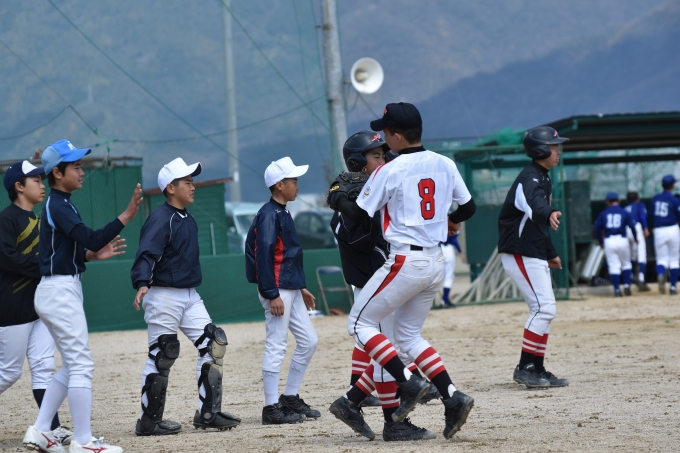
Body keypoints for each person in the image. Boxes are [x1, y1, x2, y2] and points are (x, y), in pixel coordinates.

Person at [328, 102, 477, 440]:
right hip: (436, 261)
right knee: (407, 337)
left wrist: (337, 198)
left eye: (386, 134)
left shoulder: (389, 170)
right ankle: (452, 396)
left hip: (406, 260)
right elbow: (468, 207)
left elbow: (359, 214)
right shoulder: (444, 162)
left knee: (359, 324)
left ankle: (407, 382)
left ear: (396, 136)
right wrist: (451, 220)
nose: (384, 143)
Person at [23, 140, 142, 453]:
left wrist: (89, 256)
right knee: (81, 365)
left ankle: (41, 430)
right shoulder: (59, 205)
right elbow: (91, 237)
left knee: (72, 364)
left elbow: (68, 250)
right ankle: (84, 441)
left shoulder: (61, 203)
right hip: (59, 291)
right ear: (57, 172)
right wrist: (126, 215)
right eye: (75, 166)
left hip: (58, 288)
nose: (81, 171)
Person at [327, 131, 439, 442]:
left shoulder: (382, 189)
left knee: (391, 351)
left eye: (384, 154)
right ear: (356, 163)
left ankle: (352, 401)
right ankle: (391, 421)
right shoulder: (351, 205)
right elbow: (363, 238)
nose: (384, 159)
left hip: (391, 281)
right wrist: (347, 198)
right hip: (373, 285)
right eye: (376, 156)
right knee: (387, 353)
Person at [131, 158, 241, 436]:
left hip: (189, 295)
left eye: (193, 182)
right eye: (187, 182)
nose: (193, 186)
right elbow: (146, 253)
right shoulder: (161, 218)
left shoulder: (186, 218)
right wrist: (142, 282)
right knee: (162, 354)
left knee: (214, 344)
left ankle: (208, 414)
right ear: (171, 188)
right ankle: (149, 422)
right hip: (163, 295)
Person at [0, 161, 73, 445]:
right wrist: (46, 265)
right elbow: (7, 258)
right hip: (13, 307)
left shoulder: (41, 218)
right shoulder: (6, 219)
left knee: (44, 367)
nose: (42, 186)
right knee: (8, 372)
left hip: (39, 307)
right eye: (36, 181)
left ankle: (51, 429)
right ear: (19, 186)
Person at [245, 157, 320, 425]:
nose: (297, 186)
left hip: (289, 287)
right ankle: (270, 408)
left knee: (309, 341)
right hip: (277, 288)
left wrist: (301, 287)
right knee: (276, 344)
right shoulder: (268, 214)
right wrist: (271, 292)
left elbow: (286, 254)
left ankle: (289, 397)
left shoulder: (282, 212)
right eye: (293, 181)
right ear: (279, 184)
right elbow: (262, 254)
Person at [497, 126, 569, 389]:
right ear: (539, 151)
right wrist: (548, 212)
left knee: (544, 310)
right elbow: (535, 206)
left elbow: (535, 222)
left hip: (532, 251)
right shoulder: (530, 178)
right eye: (554, 146)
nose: (558, 151)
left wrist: (550, 252)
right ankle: (525, 367)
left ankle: (536, 368)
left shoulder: (541, 177)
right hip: (520, 251)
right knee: (544, 309)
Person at [593, 192, 637, 297]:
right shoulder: (624, 212)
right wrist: (635, 238)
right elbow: (632, 226)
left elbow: (597, 228)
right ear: (619, 201)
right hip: (622, 239)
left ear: (607, 202)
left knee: (614, 266)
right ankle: (627, 286)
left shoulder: (604, 213)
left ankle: (617, 290)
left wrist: (601, 242)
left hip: (609, 240)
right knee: (626, 264)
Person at [650, 175, 680, 294]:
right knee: (674, 260)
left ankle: (661, 273)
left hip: (659, 230)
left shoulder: (655, 199)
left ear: (662, 185)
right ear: (672, 185)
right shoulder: (674, 199)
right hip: (672, 228)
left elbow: (651, 216)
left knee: (661, 259)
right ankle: (672, 287)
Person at [624, 192, 650, 291]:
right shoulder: (640, 204)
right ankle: (641, 280)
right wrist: (645, 228)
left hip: (626, 230)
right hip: (636, 227)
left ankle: (632, 277)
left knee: (631, 256)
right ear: (638, 198)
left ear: (627, 200)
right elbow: (642, 216)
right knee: (641, 254)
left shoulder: (625, 208)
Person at [441, 231, 465, 308]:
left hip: (438, 250)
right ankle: (444, 301)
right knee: (448, 277)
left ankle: (445, 299)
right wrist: (460, 252)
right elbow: (454, 239)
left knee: (440, 277)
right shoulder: (451, 224)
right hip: (448, 249)